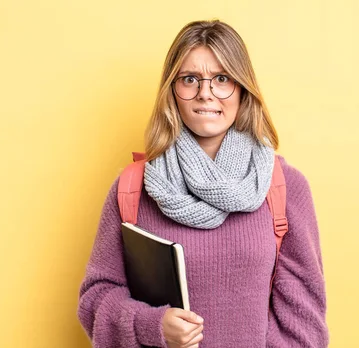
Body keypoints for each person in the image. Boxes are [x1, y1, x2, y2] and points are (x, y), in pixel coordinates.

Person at [77, 19, 329, 348]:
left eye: (221, 79)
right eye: (190, 79)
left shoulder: (284, 187)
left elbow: (305, 323)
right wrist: (151, 326)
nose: (205, 94)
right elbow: (96, 299)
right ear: (172, 90)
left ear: (242, 88)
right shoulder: (134, 189)